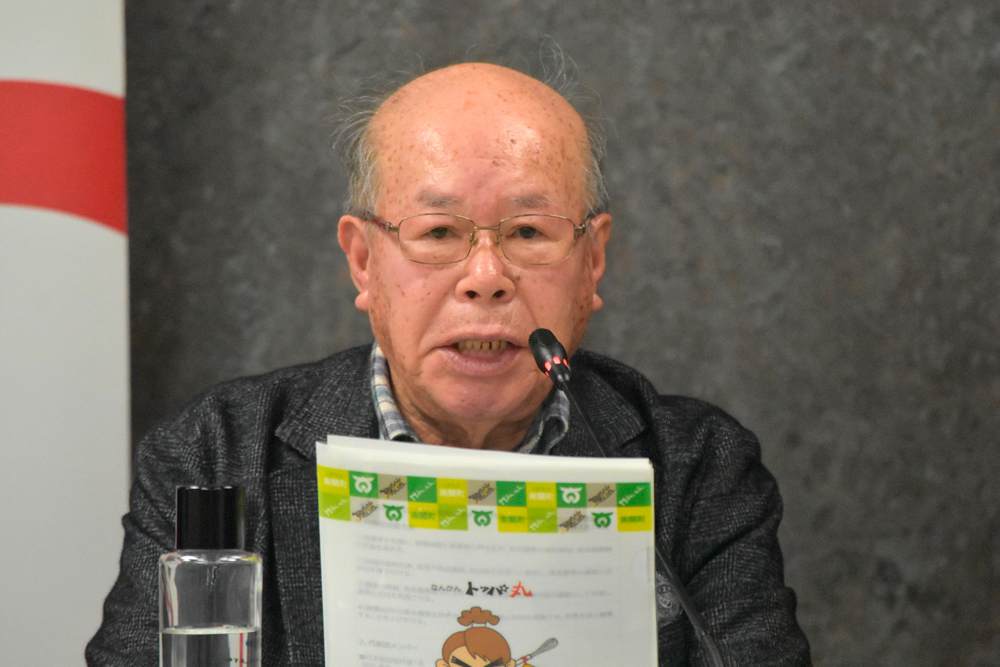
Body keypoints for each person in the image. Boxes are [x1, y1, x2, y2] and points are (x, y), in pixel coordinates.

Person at [87, 59, 812, 666]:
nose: (486, 275)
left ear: (592, 262)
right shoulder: (214, 455)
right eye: (438, 232)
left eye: (529, 230)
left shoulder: (699, 470)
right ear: (364, 261)